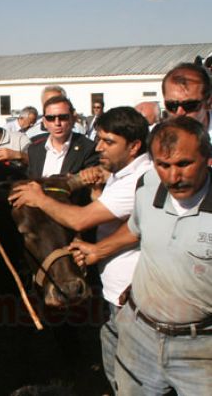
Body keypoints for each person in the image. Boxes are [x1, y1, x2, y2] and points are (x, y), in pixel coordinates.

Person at [9, 107, 152, 391]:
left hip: (134, 297)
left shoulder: (140, 178)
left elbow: (81, 219)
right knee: (119, 375)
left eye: (108, 142)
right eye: (99, 139)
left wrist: (39, 197)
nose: (98, 147)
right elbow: (129, 225)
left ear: (134, 146)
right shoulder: (119, 174)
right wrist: (97, 193)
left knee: (139, 379)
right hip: (116, 294)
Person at [70, 117, 212, 395]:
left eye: (184, 164)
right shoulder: (147, 187)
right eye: (164, 165)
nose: (173, 177)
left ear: (207, 158)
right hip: (139, 336)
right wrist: (99, 250)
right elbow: (137, 228)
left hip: (201, 350)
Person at [27, 95, 98, 178]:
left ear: (73, 119)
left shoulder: (88, 148)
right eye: (51, 118)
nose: (57, 123)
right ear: (44, 122)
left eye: (63, 117)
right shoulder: (34, 149)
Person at [162, 62, 211, 139]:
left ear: (208, 102)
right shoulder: (155, 141)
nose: (180, 113)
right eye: (172, 105)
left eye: (189, 105)